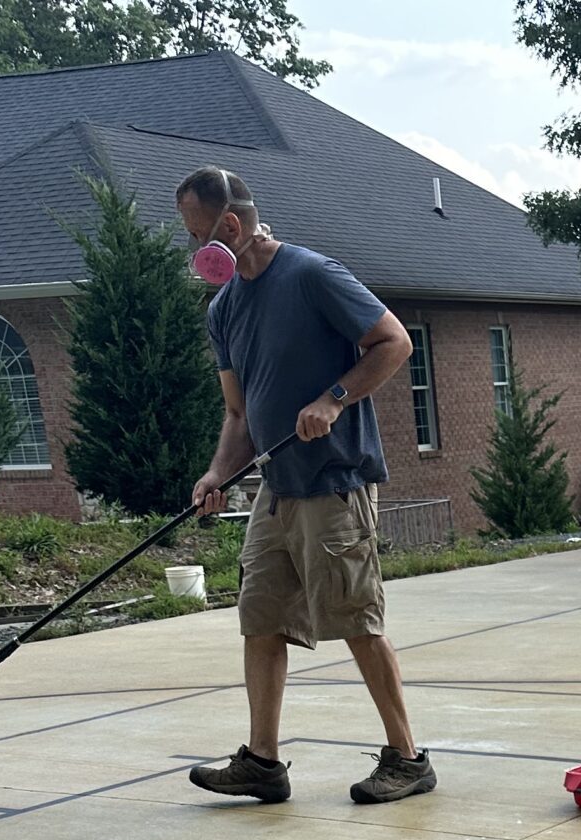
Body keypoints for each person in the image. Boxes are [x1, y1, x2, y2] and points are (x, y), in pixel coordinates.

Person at [175, 166, 436, 807]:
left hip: (334, 479)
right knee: (260, 618)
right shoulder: (225, 307)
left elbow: (393, 341)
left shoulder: (313, 274)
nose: (193, 249)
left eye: (195, 234)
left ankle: (407, 758)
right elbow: (238, 414)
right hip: (277, 487)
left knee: (354, 619)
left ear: (230, 226)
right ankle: (263, 762)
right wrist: (218, 471)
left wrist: (335, 398)